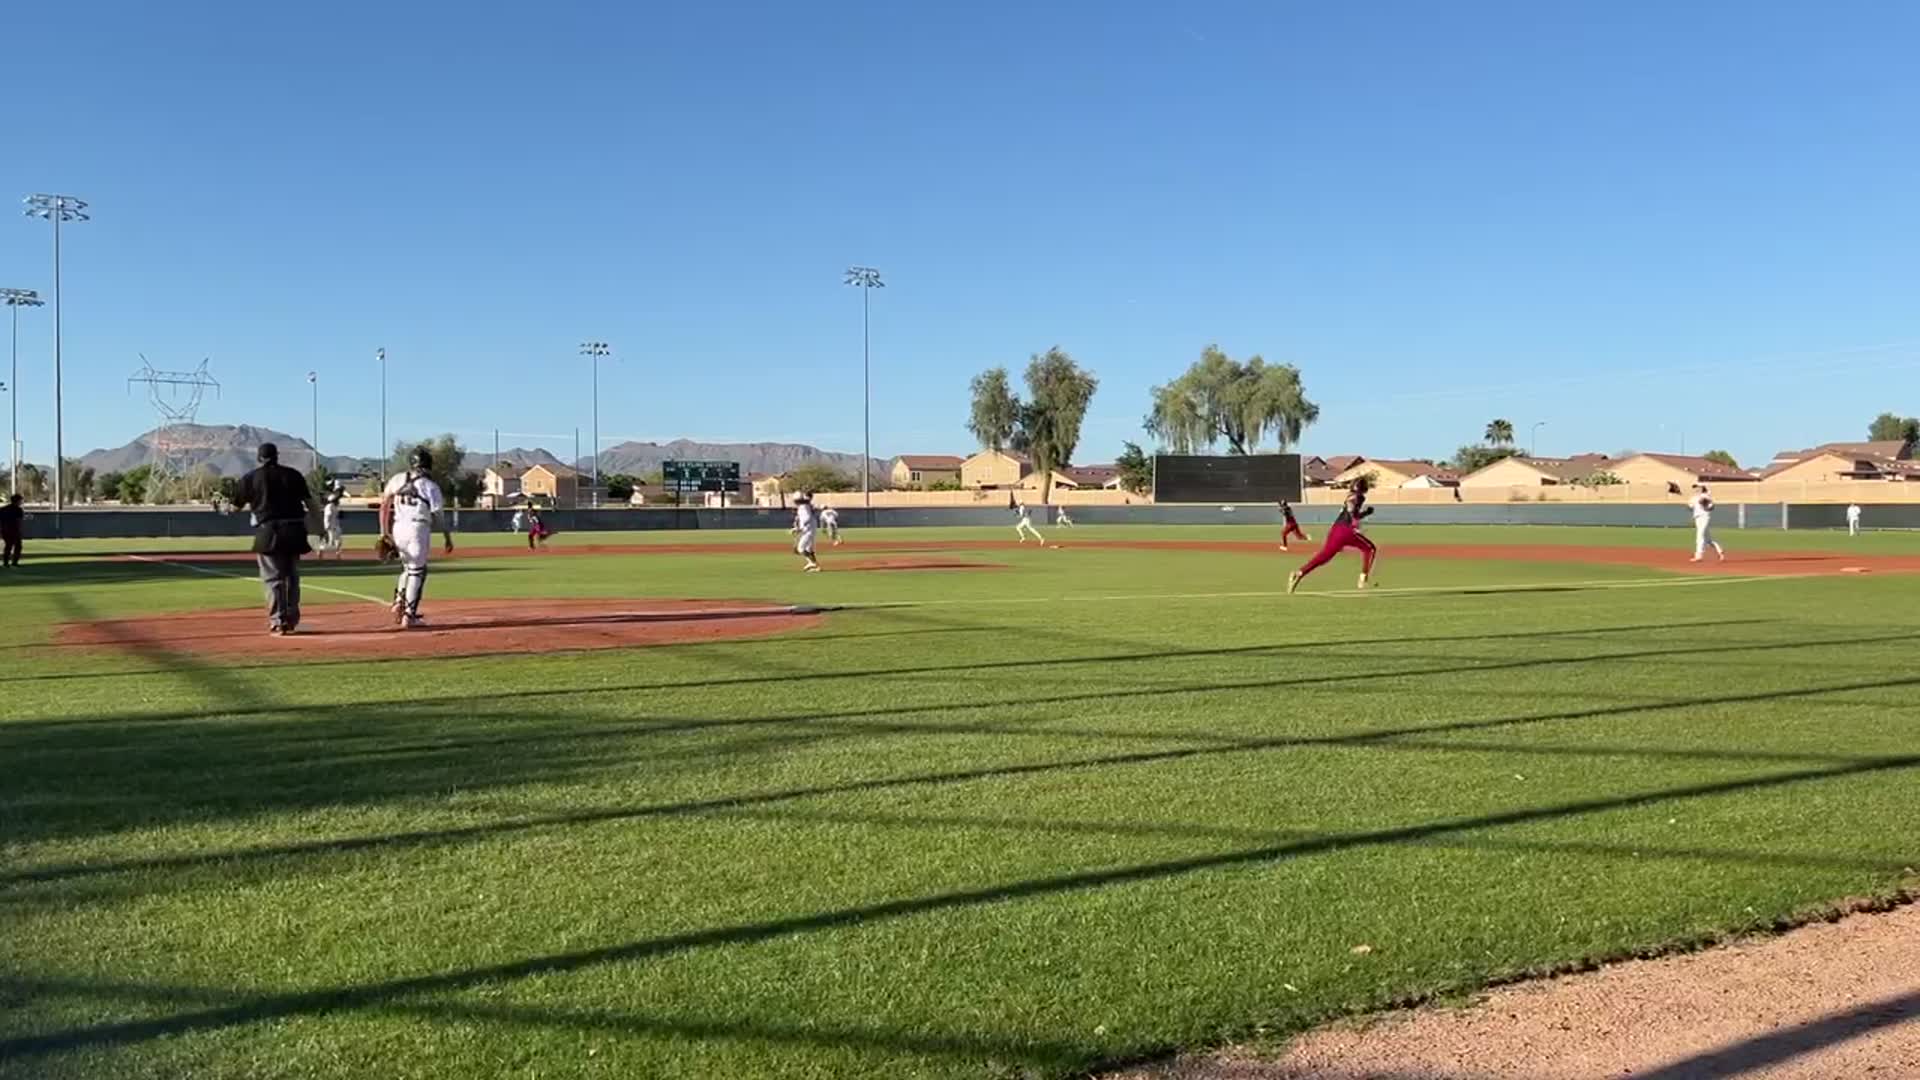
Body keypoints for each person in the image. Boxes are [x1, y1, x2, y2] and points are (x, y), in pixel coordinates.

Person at [230, 442, 317, 635]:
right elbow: (311, 504)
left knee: (273, 578)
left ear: (259, 458)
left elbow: (235, 508)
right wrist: (319, 528)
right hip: (295, 529)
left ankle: (278, 620)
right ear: (277, 456)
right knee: (292, 576)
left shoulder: (250, 478)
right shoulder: (293, 475)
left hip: (268, 531)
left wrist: (223, 510)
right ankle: (292, 619)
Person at [381, 446, 447, 628]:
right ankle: (409, 616)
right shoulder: (430, 486)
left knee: (408, 568)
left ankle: (398, 601)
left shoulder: (397, 479)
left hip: (398, 527)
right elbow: (438, 515)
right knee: (418, 572)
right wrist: (447, 537)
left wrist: (384, 532)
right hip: (418, 527)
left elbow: (384, 505)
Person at [1287, 477, 1378, 594]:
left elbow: (1352, 511)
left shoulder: (1351, 495)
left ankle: (1299, 573)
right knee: (1369, 549)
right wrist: (1355, 524)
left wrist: (1365, 513)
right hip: (1346, 530)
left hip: (1335, 530)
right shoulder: (1358, 497)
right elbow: (1351, 510)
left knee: (1324, 557)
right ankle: (1363, 579)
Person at [1689, 483, 1724, 563]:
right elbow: (1690, 507)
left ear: (1702, 488)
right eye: (1695, 487)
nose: (1696, 488)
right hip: (1697, 518)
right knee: (1708, 539)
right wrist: (1690, 506)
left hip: (1704, 517)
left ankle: (1699, 555)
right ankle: (1720, 552)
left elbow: (1711, 507)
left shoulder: (1706, 496)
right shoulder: (1693, 498)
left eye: (1698, 487)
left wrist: (1706, 503)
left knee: (1700, 535)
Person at [791, 492, 821, 572]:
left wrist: (798, 528)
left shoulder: (803, 507)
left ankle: (812, 563)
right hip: (811, 529)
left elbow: (806, 518)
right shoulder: (806, 506)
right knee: (809, 549)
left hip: (808, 530)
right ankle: (817, 567)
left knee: (800, 549)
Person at [320, 482, 346, 558]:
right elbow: (327, 517)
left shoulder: (334, 506)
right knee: (330, 542)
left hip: (335, 525)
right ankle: (321, 551)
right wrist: (327, 527)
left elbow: (335, 516)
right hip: (330, 526)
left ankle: (338, 553)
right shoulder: (329, 506)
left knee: (339, 539)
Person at [0, 494, 24, 567]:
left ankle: (6, 562)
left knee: (8, 546)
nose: (21, 502)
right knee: (18, 546)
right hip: (14, 530)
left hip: (5, 530)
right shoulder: (19, 510)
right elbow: (19, 521)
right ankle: (14, 562)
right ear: (17, 501)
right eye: (20, 500)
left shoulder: (3, 509)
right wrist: (20, 530)